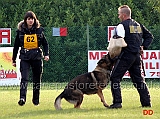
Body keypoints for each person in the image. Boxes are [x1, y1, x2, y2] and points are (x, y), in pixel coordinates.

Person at [108, 5, 153, 108]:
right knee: (139, 80)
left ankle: (117, 103)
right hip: (137, 56)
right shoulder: (138, 25)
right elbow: (149, 36)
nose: (118, 16)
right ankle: (146, 104)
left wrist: (114, 53)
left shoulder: (121, 26)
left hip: (126, 56)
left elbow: (119, 41)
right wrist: (143, 46)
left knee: (115, 77)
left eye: (119, 14)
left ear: (124, 15)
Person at [12, 11, 49, 106]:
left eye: (32, 19)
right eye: (28, 19)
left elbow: (45, 43)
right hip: (25, 57)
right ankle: (22, 98)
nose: (30, 21)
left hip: (36, 57)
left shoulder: (39, 31)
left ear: (34, 20)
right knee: (24, 78)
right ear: (25, 20)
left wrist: (46, 54)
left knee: (37, 79)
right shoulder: (20, 32)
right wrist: (13, 59)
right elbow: (16, 46)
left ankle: (36, 100)